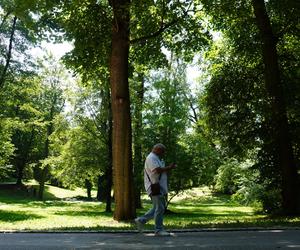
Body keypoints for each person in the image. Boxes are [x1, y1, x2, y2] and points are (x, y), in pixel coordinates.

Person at [134, 143, 176, 236]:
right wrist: (169, 167)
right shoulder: (151, 157)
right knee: (160, 208)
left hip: (157, 186)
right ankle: (159, 230)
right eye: (162, 151)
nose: (163, 153)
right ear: (157, 149)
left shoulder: (155, 157)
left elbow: (159, 171)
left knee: (157, 207)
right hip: (154, 186)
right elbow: (157, 170)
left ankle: (141, 220)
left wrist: (168, 168)